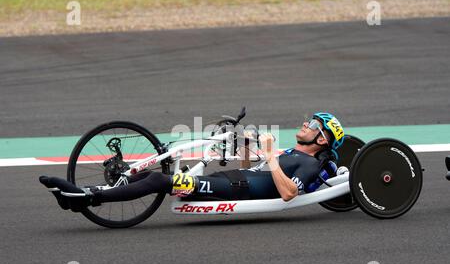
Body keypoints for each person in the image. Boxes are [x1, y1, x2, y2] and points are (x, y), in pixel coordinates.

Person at [39, 112, 345, 212]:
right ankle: (86, 192)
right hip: (234, 181)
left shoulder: (310, 165)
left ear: (321, 140)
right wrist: (250, 147)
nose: (305, 124)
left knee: (161, 180)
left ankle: (89, 198)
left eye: (313, 125)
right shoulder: (293, 154)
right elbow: (257, 167)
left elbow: (288, 192)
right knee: (166, 171)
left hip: (236, 191)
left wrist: (270, 157)